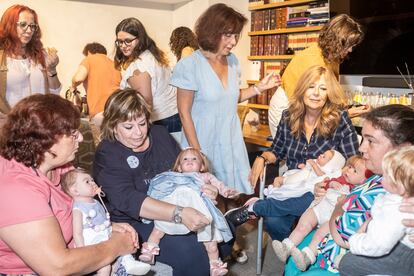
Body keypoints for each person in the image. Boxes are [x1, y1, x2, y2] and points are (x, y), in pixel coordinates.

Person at [93, 88, 229, 276]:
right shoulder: (108, 152)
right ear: (113, 125)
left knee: (224, 237)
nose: (138, 133)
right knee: (192, 251)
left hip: (176, 206)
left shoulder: (159, 134)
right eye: (128, 127)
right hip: (134, 221)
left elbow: (181, 171)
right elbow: (130, 200)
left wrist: (205, 187)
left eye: (142, 123)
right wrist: (180, 213)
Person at [0, 94, 137, 275]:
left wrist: (100, 226)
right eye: (72, 134)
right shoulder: (16, 191)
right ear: (46, 142)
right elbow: (57, 267)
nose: (80, 138)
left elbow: (74, 214)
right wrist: (114, 246)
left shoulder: (61, 168)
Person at [283, 104, 414, 275]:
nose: (361, 148)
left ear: (403, 148)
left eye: (371, 141)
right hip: (331, 239)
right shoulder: (375, 176)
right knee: (293, 262)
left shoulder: (397, 196)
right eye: (363, 140)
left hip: (345, 254)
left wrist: (337, 208)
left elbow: (341, 235)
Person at [171, 3, 280, 196]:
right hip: (202, 138)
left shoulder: (233, 61)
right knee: (205, 197)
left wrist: (259, 88)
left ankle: (227, 226)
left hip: (229, 137)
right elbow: (184, 113)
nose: (233, 41)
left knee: (231, 194)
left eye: (236, 35)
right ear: (212, 31)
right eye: (228, 35)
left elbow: (228, 98)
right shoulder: (189, 65)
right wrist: (198, 153)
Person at [245, 65, 359, 242]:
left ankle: (263, 211)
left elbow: (353, 160)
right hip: (292, 183)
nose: (316, 93)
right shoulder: (288, 116)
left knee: (294, 214)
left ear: (329, 93)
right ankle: (291, 251)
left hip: (321, 189)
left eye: (323, 88)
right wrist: (261, 158)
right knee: (275, 222)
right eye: (311, 87)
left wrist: (333, 183)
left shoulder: (340, 119)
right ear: (302, 88)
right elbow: (277, 150)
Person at [140, 148, 239, 275]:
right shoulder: (175, 176)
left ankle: (214, 265)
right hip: (176, 209)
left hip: (201, 211)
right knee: (159, 228)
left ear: (202, 166)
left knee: (211, 242)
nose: (190, 161)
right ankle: (149, 250)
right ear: (179, 167)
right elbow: (161, 186)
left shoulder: (205, 176)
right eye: (185, 159)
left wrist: (227, 191)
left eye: (194, 159)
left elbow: (219, 186)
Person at [268, 14, 365, 137]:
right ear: (338, 41)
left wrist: (347, 108)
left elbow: (332, 90)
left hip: (307, 108)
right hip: (288, 107)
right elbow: (310, 104)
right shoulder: (313, 61)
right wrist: (345, 114)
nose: (350, 50)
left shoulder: (333, 57)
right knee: (295, 153)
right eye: (349, 45)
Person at [273, 155, 368, 271]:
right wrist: (330, 184)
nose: (348, 171)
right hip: (321, 208)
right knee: (303, 224)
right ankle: (286, 247)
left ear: (364, 180)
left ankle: (307, 256)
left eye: (355, 171)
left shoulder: (357, 191)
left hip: (331, 218)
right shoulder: (340, 178)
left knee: (319, 235)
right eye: (349, 167)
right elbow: (326, 182)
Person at [61, 168, 151, 276]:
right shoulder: (78, 209)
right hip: (92, 243)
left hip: (104, 234)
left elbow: (104, 220)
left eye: (92, 180)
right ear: (75, 191)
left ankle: (129, 263)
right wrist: (82, 251)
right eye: (87, 182)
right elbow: (77, 232)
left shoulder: (96, 202)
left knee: (123, 243)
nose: (93, 183)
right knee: (105, 265)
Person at [345, 146, 414, 274]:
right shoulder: (397, 197)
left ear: (400, 187)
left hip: (402, 253)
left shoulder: (397, 211)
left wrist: (355, 241)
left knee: (346, 264)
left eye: (386, 176)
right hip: (394, 245)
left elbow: (378, 244)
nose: (382, 178)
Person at [114, 17, 180, 135]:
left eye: (128, 41)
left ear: (139, 39)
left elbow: (145, 102)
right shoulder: (152, 56)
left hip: (161, 122)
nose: (123, 45)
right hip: (173, 115)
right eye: (120, 41)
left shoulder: (138, 67)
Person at [0, 4, 61, 115]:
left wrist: (52, 70)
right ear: (9, 25)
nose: (29, 31)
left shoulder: (41, 55)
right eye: (23, 25)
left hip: (40, 124)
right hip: (10, 127)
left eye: (32, 26)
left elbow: (55, 94)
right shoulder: (2, 58)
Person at [70, 42, 121, 140]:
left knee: (101, 148)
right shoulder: (114, 64)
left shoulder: (89, 59)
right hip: (118, 110)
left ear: (89, 52)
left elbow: (78, 78)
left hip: (100, 113)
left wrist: (73, 86)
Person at [264, 149, 346, 201]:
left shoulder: (325, 172)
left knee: (284, 187)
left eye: (324, 157)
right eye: (322, 154)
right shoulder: (316, 162)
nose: (320, 155)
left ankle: (274, 195)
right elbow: (308, 170)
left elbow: (320, 175)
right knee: (277, 179)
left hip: (299, 183)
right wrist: (304, 167)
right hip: (296, 176)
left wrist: (314, 165)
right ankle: (273, 193)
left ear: (330, 165)